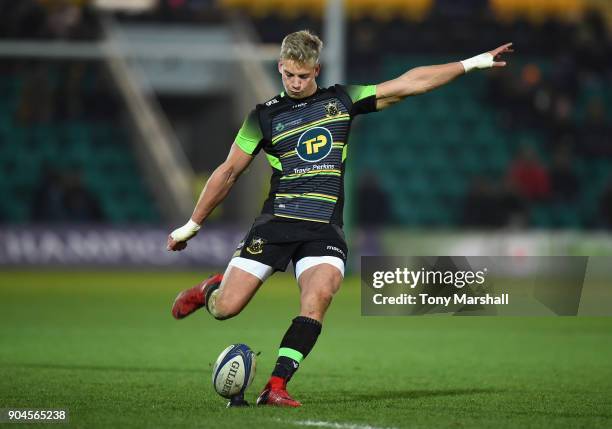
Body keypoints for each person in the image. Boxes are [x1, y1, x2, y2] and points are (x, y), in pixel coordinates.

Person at [167, 30, 512, 407]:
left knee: (319, 298)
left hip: (324, 228)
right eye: (289, 75)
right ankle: (210, 290)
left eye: (304, 76)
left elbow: (410, 84)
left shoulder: (342, 100)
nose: (296, 83)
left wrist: (471, 63)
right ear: (280, 67)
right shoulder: (263, 117)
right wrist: (193, 224)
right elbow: (228, 172)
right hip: (277, 223)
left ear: (317, 69)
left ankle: (276, 386)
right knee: (225, 309)